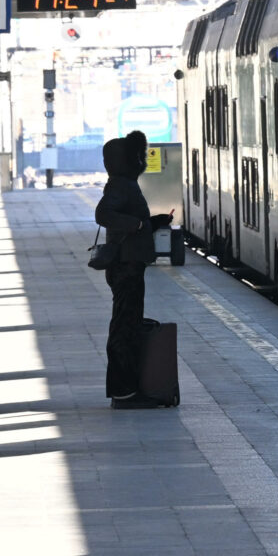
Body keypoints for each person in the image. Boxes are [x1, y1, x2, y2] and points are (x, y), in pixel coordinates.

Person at [95, 131, 172, 409]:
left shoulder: (123, 183)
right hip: (125, 266)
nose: (141, 160)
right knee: (124, 328)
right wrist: (138, 226)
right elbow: (103, 214)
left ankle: (125, 389)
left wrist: (154, 221)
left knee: (126, 324)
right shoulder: (121, 186)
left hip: (129, 264)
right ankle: (124, 392)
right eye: (137, 156)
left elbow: (131, 219)